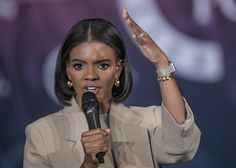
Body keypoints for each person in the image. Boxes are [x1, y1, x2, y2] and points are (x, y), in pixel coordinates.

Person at [23, 9, 201, 168]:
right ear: (68, 72)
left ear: (118, 70)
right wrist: (88, 165)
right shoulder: (41, 134)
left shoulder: (149, 122)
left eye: (102, 65)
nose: (90, 75)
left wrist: (161, 63)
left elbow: (181, 145)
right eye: (79, 66)